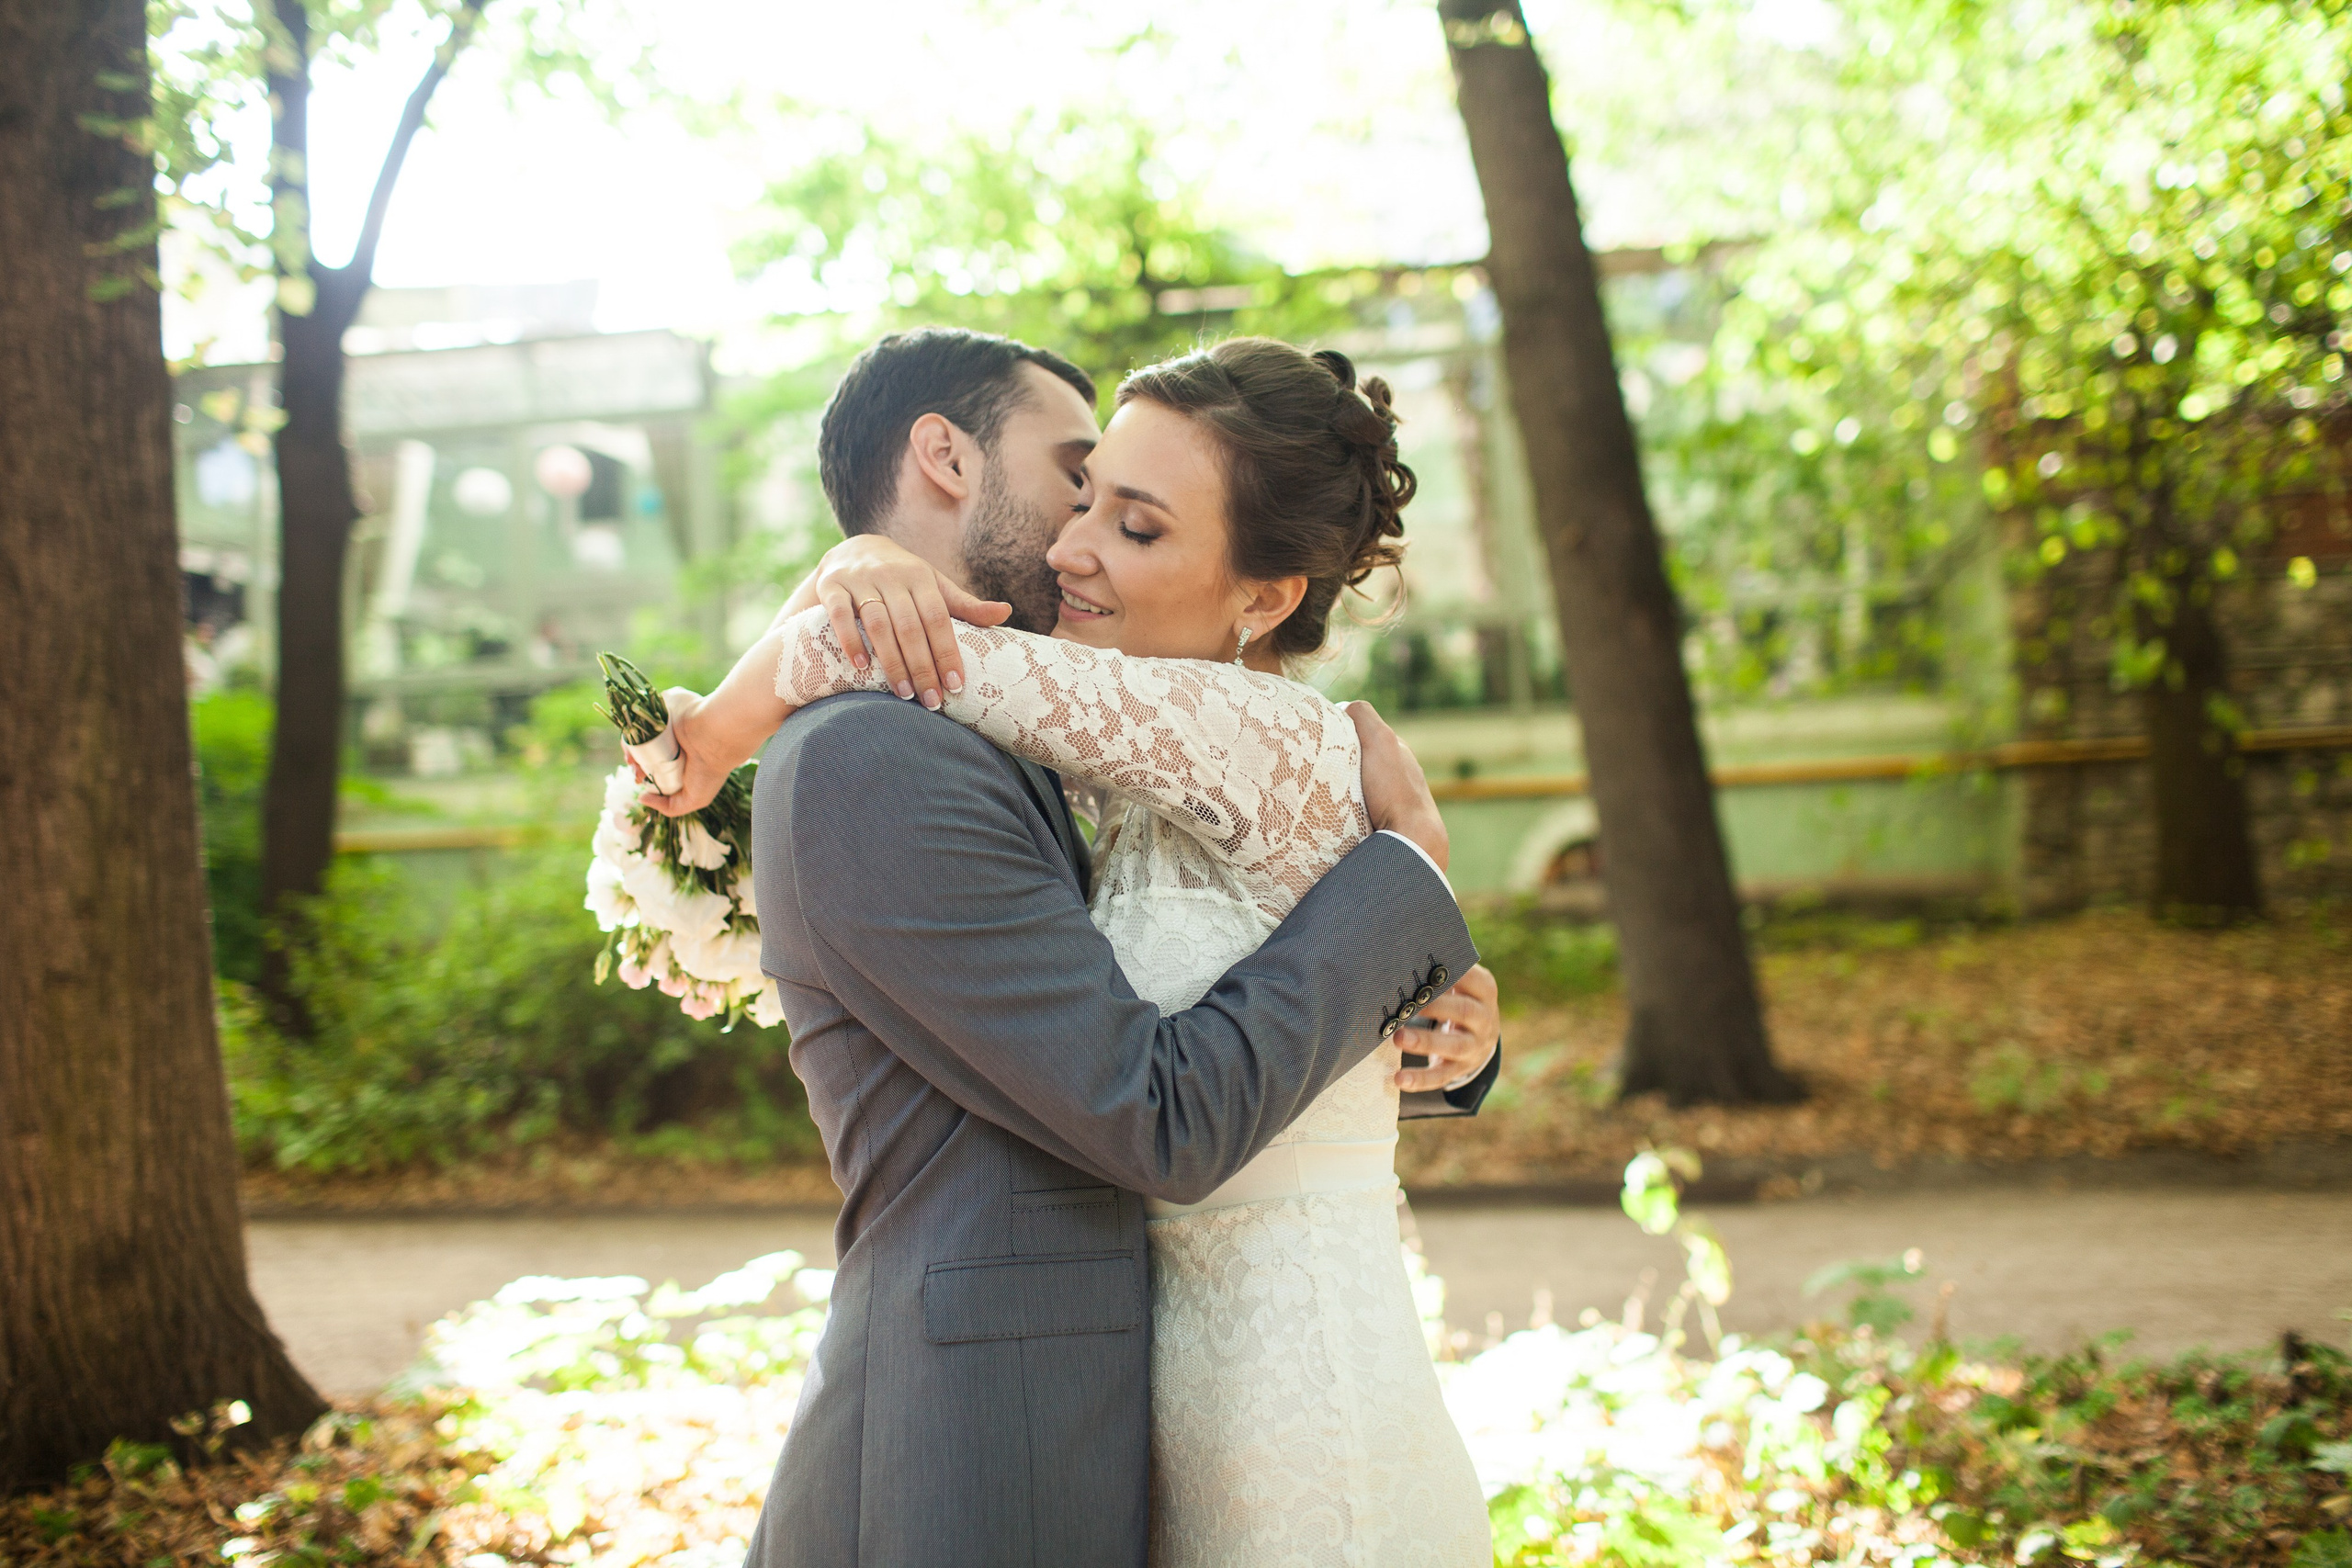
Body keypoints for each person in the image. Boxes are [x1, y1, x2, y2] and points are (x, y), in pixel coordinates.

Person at [650, 329, 1498, 1567]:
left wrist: (717, 731)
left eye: (1134, 523)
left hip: (1295, 1389)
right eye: (1081, 486)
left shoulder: (1248, 734)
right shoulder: (1075, 742)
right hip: (1148, 1402)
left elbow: (1199, 1076)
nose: (1071, 542)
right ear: (940, 459)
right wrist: (1429, 993)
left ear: (1266, 596)